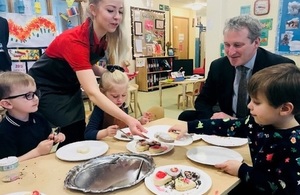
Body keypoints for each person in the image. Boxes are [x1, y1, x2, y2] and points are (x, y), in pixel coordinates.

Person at [28, 0, 146, 148]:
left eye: (120, 11)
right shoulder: (75, 40)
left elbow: (85, 63)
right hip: (48, 89)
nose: (117, 17)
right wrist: (129, 120)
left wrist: (106, 73)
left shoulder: (102, 38)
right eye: (110, 10)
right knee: (67, 134)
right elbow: (93, 93)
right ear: (93, 10)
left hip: (69, 86)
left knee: (77, 130)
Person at [170, 63, 300, 195]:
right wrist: (189, 126)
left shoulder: (293, 146)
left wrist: (242, 170)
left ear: (284, 109)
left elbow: (280, 188)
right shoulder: (258, 123)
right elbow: (225, 126)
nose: (249, 106)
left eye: (257, 102)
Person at [178, 15, 295, 121]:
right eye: (227, 45)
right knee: (185, 117)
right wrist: (214, 120)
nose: (230, 52)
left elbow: (291, 115)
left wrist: (237, 124)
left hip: (261, 130)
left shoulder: (280, 67)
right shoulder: (218, 66)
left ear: (256, 42)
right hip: (226, 130)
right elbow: (203, 101)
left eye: (237, 45)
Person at [0, 72, 65, 161]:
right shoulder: (4, 132)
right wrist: (37, 152)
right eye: (28, 95)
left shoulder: (38, 118)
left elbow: (45, 139)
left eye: (35, 93)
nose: (36, 98)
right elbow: (5, 165)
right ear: (7, 103)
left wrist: (54, 138)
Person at [84, 67, 150, 140]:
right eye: (115, 96)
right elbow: (88, 134)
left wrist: (139, 122)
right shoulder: (100, 109)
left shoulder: (123, 105)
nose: (120, 100)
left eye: (124, 95)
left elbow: (126, 125)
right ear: (102, 92)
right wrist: (105, 132)